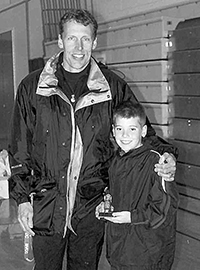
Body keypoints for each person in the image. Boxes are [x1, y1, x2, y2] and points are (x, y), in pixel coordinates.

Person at [8, 8, 177, 270]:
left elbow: (145, 133)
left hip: (93, 206)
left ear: (94, 42)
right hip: (46, 204)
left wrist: (167, 156)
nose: (78, 47)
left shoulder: (113, 88)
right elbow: (19, 147)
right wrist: (21, 199)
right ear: (60, 41)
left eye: (85, 39)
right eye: (72, 38)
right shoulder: (32, 88)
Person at [96, 101, 179, 270]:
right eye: (120, 129)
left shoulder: (157, 163)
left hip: (146, 253)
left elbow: (165, 210)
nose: (125, 135)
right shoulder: (116, 160)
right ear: (113, 130)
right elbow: (114, 193)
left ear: (144, 131)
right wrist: (105, 205)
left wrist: (132, 218)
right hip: (120, 249)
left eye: (132, 129)